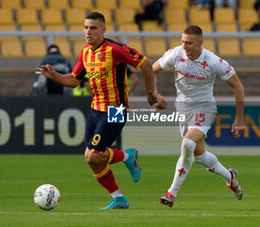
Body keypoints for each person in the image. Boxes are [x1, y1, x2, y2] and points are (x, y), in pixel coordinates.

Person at [35, 12, 166, 210]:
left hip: (116, 109)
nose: (88, 31)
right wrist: (54, 75)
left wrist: (151, 93)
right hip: (95, 110)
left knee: (94, 155)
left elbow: (145, 64)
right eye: (86, 27)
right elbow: (74, 80)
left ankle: (128, 157)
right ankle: (119, 198)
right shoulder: (85, 53)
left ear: (103, 30)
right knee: (92, 160)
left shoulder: (115, 49)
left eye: (93, 28)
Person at [153, 25, 245, 207]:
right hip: (182, 110)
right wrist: (154, 94)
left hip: (205, 109)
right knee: (198, 156)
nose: (185, 46)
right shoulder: (175, 54)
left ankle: (171, 193)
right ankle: (230, 177)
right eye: (183, 42)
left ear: (200, 43)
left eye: (189, 43)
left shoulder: (213, 61)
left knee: (187, 143)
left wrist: (239, 119)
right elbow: (152, 69)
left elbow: (238, 87)